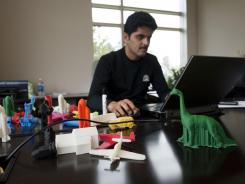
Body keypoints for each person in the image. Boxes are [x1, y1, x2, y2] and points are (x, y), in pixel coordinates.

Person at [87, 11, 170, 117]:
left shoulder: (152, 61)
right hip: (115, 119)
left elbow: (164, 92)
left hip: (142, 117)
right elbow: (92, 98)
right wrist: (112, 105)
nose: (146, 42)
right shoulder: (108, 61)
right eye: (140, 37)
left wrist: (172, 97)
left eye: (149, 37)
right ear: (126, 38)